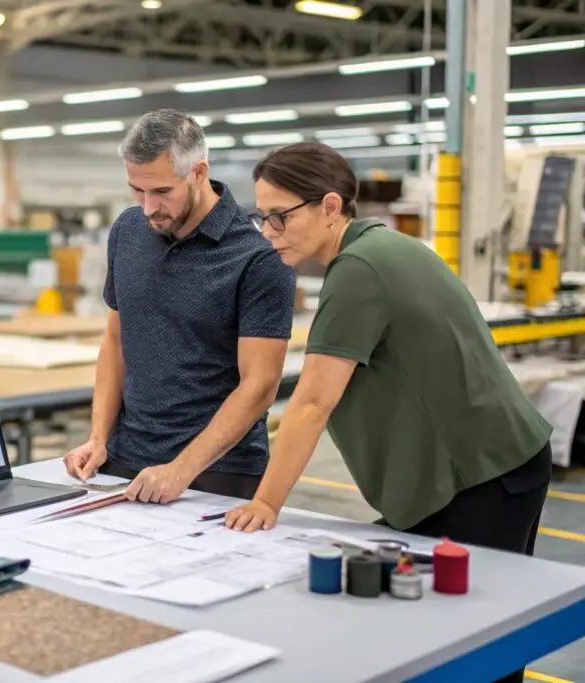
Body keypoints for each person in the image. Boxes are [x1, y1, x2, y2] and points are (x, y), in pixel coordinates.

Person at [228, 142, 551, 576]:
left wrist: (265, 502)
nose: (267, 232)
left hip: (480, 476)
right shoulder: (387, 247)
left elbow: (311, 403)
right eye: (261, 217)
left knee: (468, 616)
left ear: (329, 206)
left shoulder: (358, 271)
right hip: (506, 460)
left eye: (279, 216)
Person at [63, 109, 296, 503]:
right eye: (137, 190)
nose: (149, 206)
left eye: (162, 192)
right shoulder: (128, 230)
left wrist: (180, 471)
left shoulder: (258, 257)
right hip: (126, 460)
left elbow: (259, 386)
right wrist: (98, 438)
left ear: (199, 173)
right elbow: (116, 342)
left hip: (219, 472)